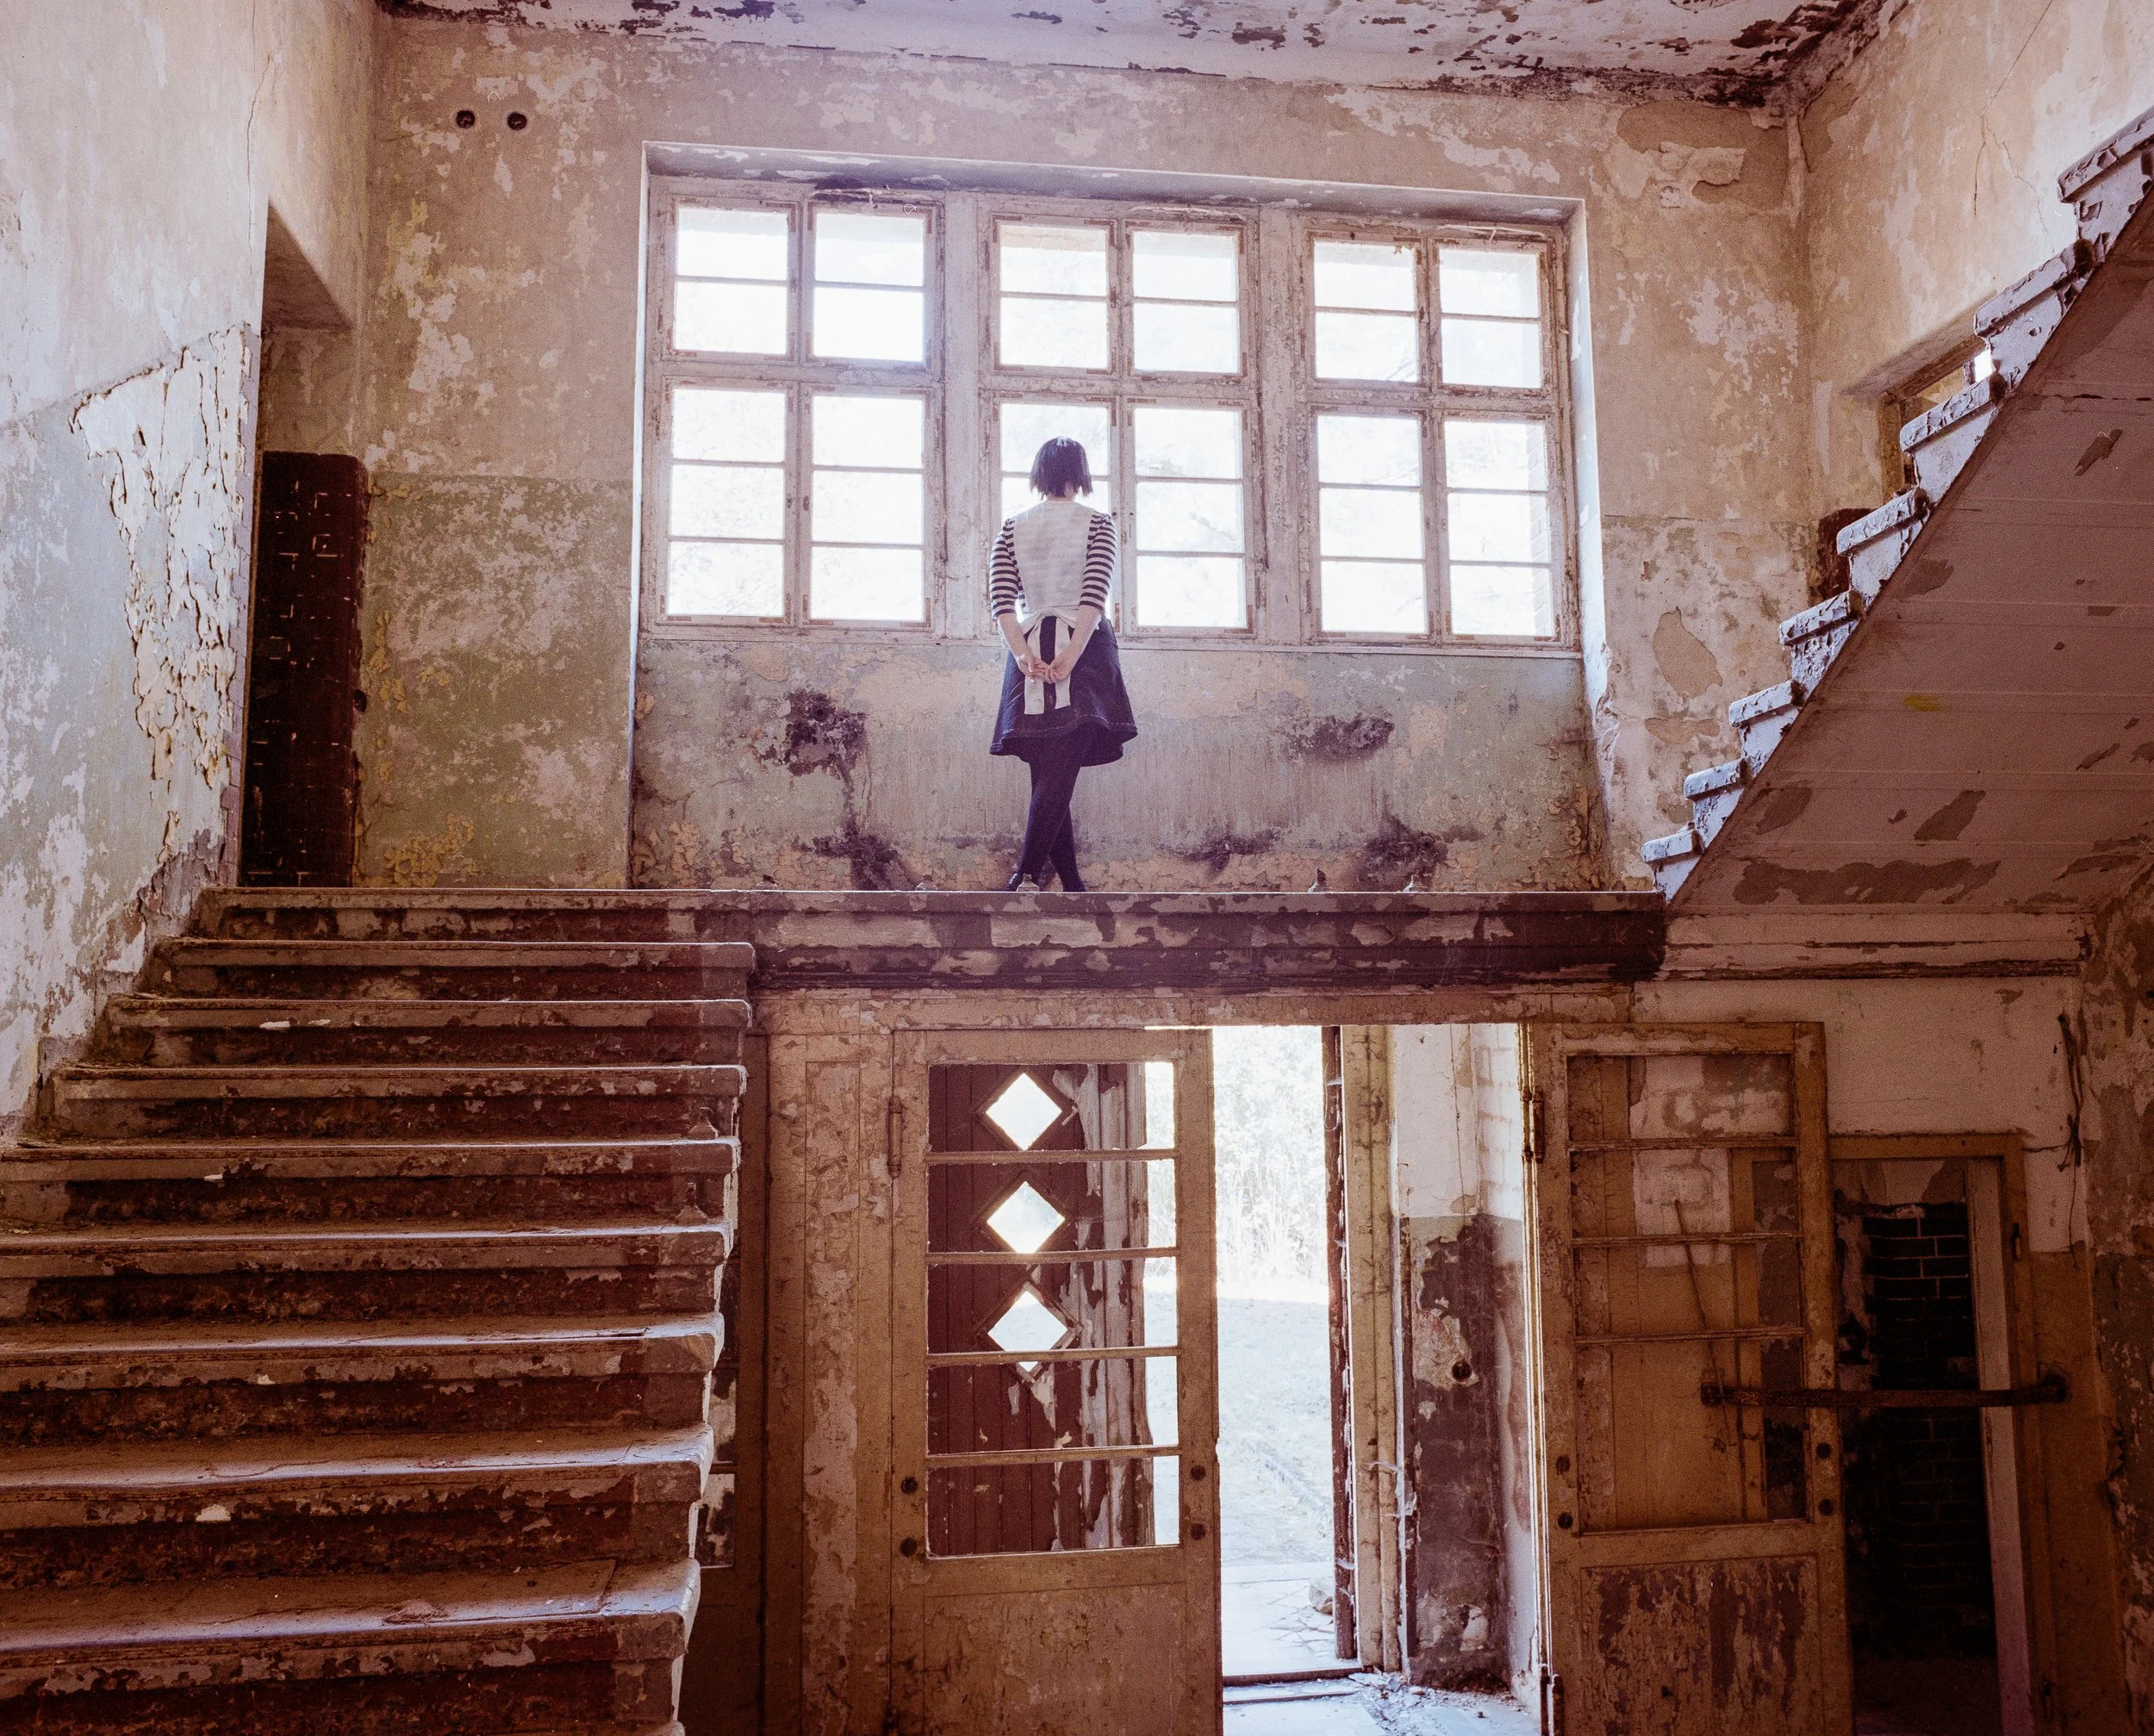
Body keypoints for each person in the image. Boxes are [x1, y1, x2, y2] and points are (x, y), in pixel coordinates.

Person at [987, 437, 1138, 892]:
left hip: (1031, 648)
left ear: (1039, 473)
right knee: (1058, 768)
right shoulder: (1099, 523)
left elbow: (1001, 601)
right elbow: (1094, 594)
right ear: (1080, 474)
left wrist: (1022, 654)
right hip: (1084, 650)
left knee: (1049, 769)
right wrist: (1070, 656)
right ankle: (1026, 875)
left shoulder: (1011, 527)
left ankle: (1070, 884)